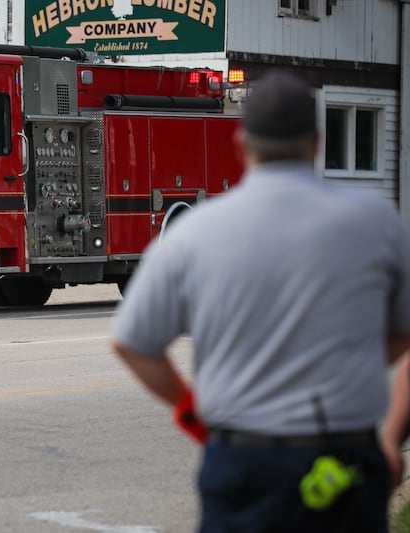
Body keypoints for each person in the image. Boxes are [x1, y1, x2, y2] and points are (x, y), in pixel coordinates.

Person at [111, 69, 410, 532]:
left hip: (243, 461)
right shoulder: (377, 222)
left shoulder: (195, 231)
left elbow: (132, 343)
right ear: (317, 142)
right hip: (344, 461)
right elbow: (403, 334)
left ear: (240, 144)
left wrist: (192, 408)